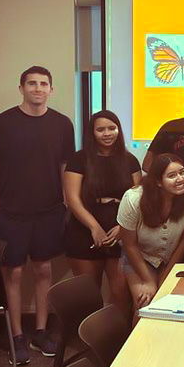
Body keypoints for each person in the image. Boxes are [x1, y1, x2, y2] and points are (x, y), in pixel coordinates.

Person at [0, 66, 75, 365]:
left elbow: (65, 167)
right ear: (21, 88)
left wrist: (65, 201)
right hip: (11, 212)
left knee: (44, 269)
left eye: (43, 83)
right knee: (14, 272)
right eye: (31, 83)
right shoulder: (2, 123)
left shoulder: (62, 124)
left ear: (51, 89)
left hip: (48, 211)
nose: (37, 88)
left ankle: (41, 331)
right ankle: (17, 336)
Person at [63, 110, 141, 318]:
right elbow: (72, 199)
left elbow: (138, 199)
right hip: (83, 231)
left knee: (121, 293)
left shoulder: (130, 160)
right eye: (101, 129)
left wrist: (123, 229)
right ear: (92, 133)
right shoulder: (79, 159)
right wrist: (94, 228)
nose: (107, 133)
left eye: (112, 128)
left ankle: (118, 344)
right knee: (88, 295)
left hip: (121, 231)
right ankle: (89, 344)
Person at [117, 153, 184, 309]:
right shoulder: (133, 198)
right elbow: (129, 245)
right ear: (158, 182)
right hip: (140, 258)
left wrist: (166, 276)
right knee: (146, 303)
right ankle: (134, 334)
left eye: (182, 172)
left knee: (169, 299)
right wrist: (148, 280)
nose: (180, 179)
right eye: (171, 175)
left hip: (170, 259)